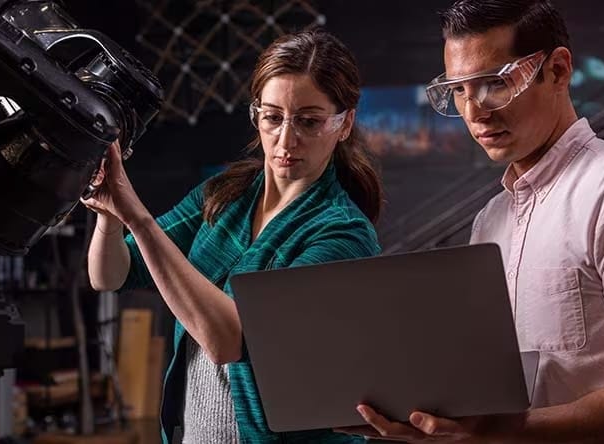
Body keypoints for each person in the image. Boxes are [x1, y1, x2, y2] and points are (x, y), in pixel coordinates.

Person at [339, 1, 604, 443]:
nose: (473, 112)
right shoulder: (490, 221)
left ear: (558, 71)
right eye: (458, 90)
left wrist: (504, 432)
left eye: (494, 84)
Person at [83, 28, 383, 443]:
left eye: (309, 122)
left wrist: (137, 215)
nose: (285, 140)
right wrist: (109, 212)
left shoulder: (343, 235)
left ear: (344, 123)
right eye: (273, 117)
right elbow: (111, 275)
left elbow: (230, 340)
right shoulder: (225, 197)